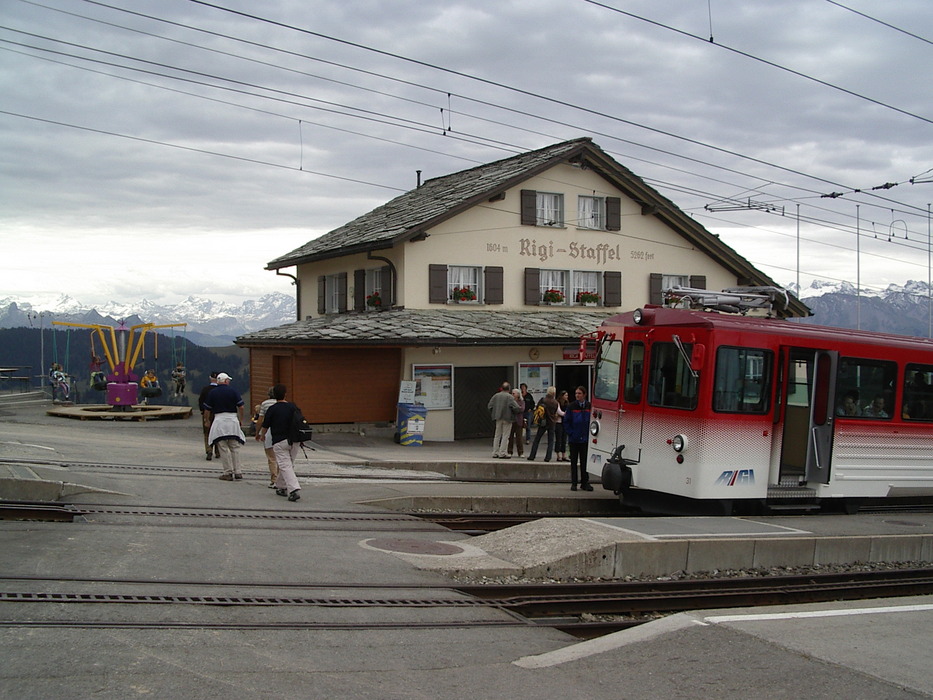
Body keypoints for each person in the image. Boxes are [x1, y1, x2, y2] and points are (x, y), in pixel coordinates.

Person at [258, 383, 302, 502]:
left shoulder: (273, 409)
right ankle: (281, 486)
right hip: (295, 440)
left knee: (285, 465)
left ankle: (293, 490)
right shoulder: (293, 407)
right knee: (288, 464)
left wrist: (262, 435)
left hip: (280, 441)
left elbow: (265, 425)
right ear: (285, 394)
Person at [204, 372, 246, 480]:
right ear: (226, 381)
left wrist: (207, 420)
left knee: (223, 447)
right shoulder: (233, 391)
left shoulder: (213, 393)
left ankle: (228, 472)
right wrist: (241, 419)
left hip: (219, 420)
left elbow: (207, 409)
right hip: (232, 419)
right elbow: (241, 406)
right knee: (234, 446)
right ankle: (238, 471)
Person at [563, 386, 593, 491]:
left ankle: (585, 482)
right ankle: (574, 483)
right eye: (576, 393)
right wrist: (571, 433)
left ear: (584, 395)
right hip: (574, 439)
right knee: (574, 462)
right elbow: (566, 421)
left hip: (585, 439)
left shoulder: (589, 406)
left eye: (579, 393)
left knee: (585, 462)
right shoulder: (571, 406)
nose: (577, 395)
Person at [527, 386, 560, 462]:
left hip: (543, 422)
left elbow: (538, 408)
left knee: (537, 439)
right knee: (550, 441)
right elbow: (555, 412)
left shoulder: (543, 400)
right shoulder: (555, 402)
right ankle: (548, 457)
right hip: (551, 422)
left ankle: (532, 455)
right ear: (554, 393)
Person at [254, 387, 279, 488]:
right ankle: (281, 479)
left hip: (269, 432)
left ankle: (274, 479)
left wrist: (258, 433)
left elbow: (260, 420)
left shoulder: (264, 404)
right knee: (281, 457)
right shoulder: (283, 403)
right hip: (281, 433)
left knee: (271, 458)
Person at [487, 381, 518, 458]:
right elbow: (516, 407)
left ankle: (495, 452)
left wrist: (494, 412)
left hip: (498, 417)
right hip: (507, 418)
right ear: (509, 389)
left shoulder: (496, 396)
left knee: (497, 435)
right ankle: (503, 452)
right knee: (505, 435)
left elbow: (490, 406)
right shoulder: (509, 397)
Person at [198, 371, 221, 461]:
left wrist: (202, 411)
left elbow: (201, 401)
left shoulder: (205, 389)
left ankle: (209, 450)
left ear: (210, 378)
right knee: (218, 432)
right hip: (218, 414)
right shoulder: (220, 390)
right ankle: (218, 451)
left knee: (207, 433)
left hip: (207, 413)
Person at [506, 388, 525, 458]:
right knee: (510, 437)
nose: (512, 395)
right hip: (511, 420)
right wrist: (517, 408)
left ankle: (520, 452)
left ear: (518, 394)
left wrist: (515, 408)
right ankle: (509, 451)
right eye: (512, 393)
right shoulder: (510, 401)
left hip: (519, 421)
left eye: (514, 393)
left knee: (519, 438)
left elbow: (522, 409)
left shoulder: (521, 401)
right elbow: (509, 409)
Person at [554, 389, 570, 462]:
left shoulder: (567, 403)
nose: (567, 396)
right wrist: (565, 414)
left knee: (564, 439)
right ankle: (558, 455)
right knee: (559, 439)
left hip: (565, 423)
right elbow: (559, 412)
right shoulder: (557, 403)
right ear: (562, 396)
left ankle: (564, 455)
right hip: (559, 423)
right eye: (565, 395)